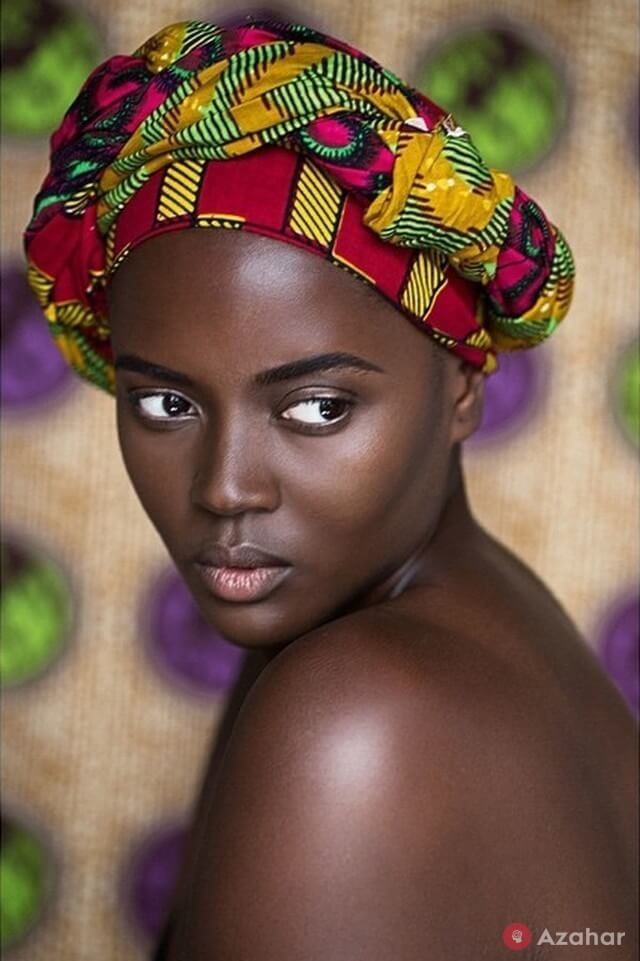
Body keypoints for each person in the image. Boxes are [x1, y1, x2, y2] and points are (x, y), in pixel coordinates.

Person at [24, 16, 637, 961]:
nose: (226, 490)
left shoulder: (353, 713)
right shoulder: (484, 625)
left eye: (315, 409)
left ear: (465, 385)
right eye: (164, 402)